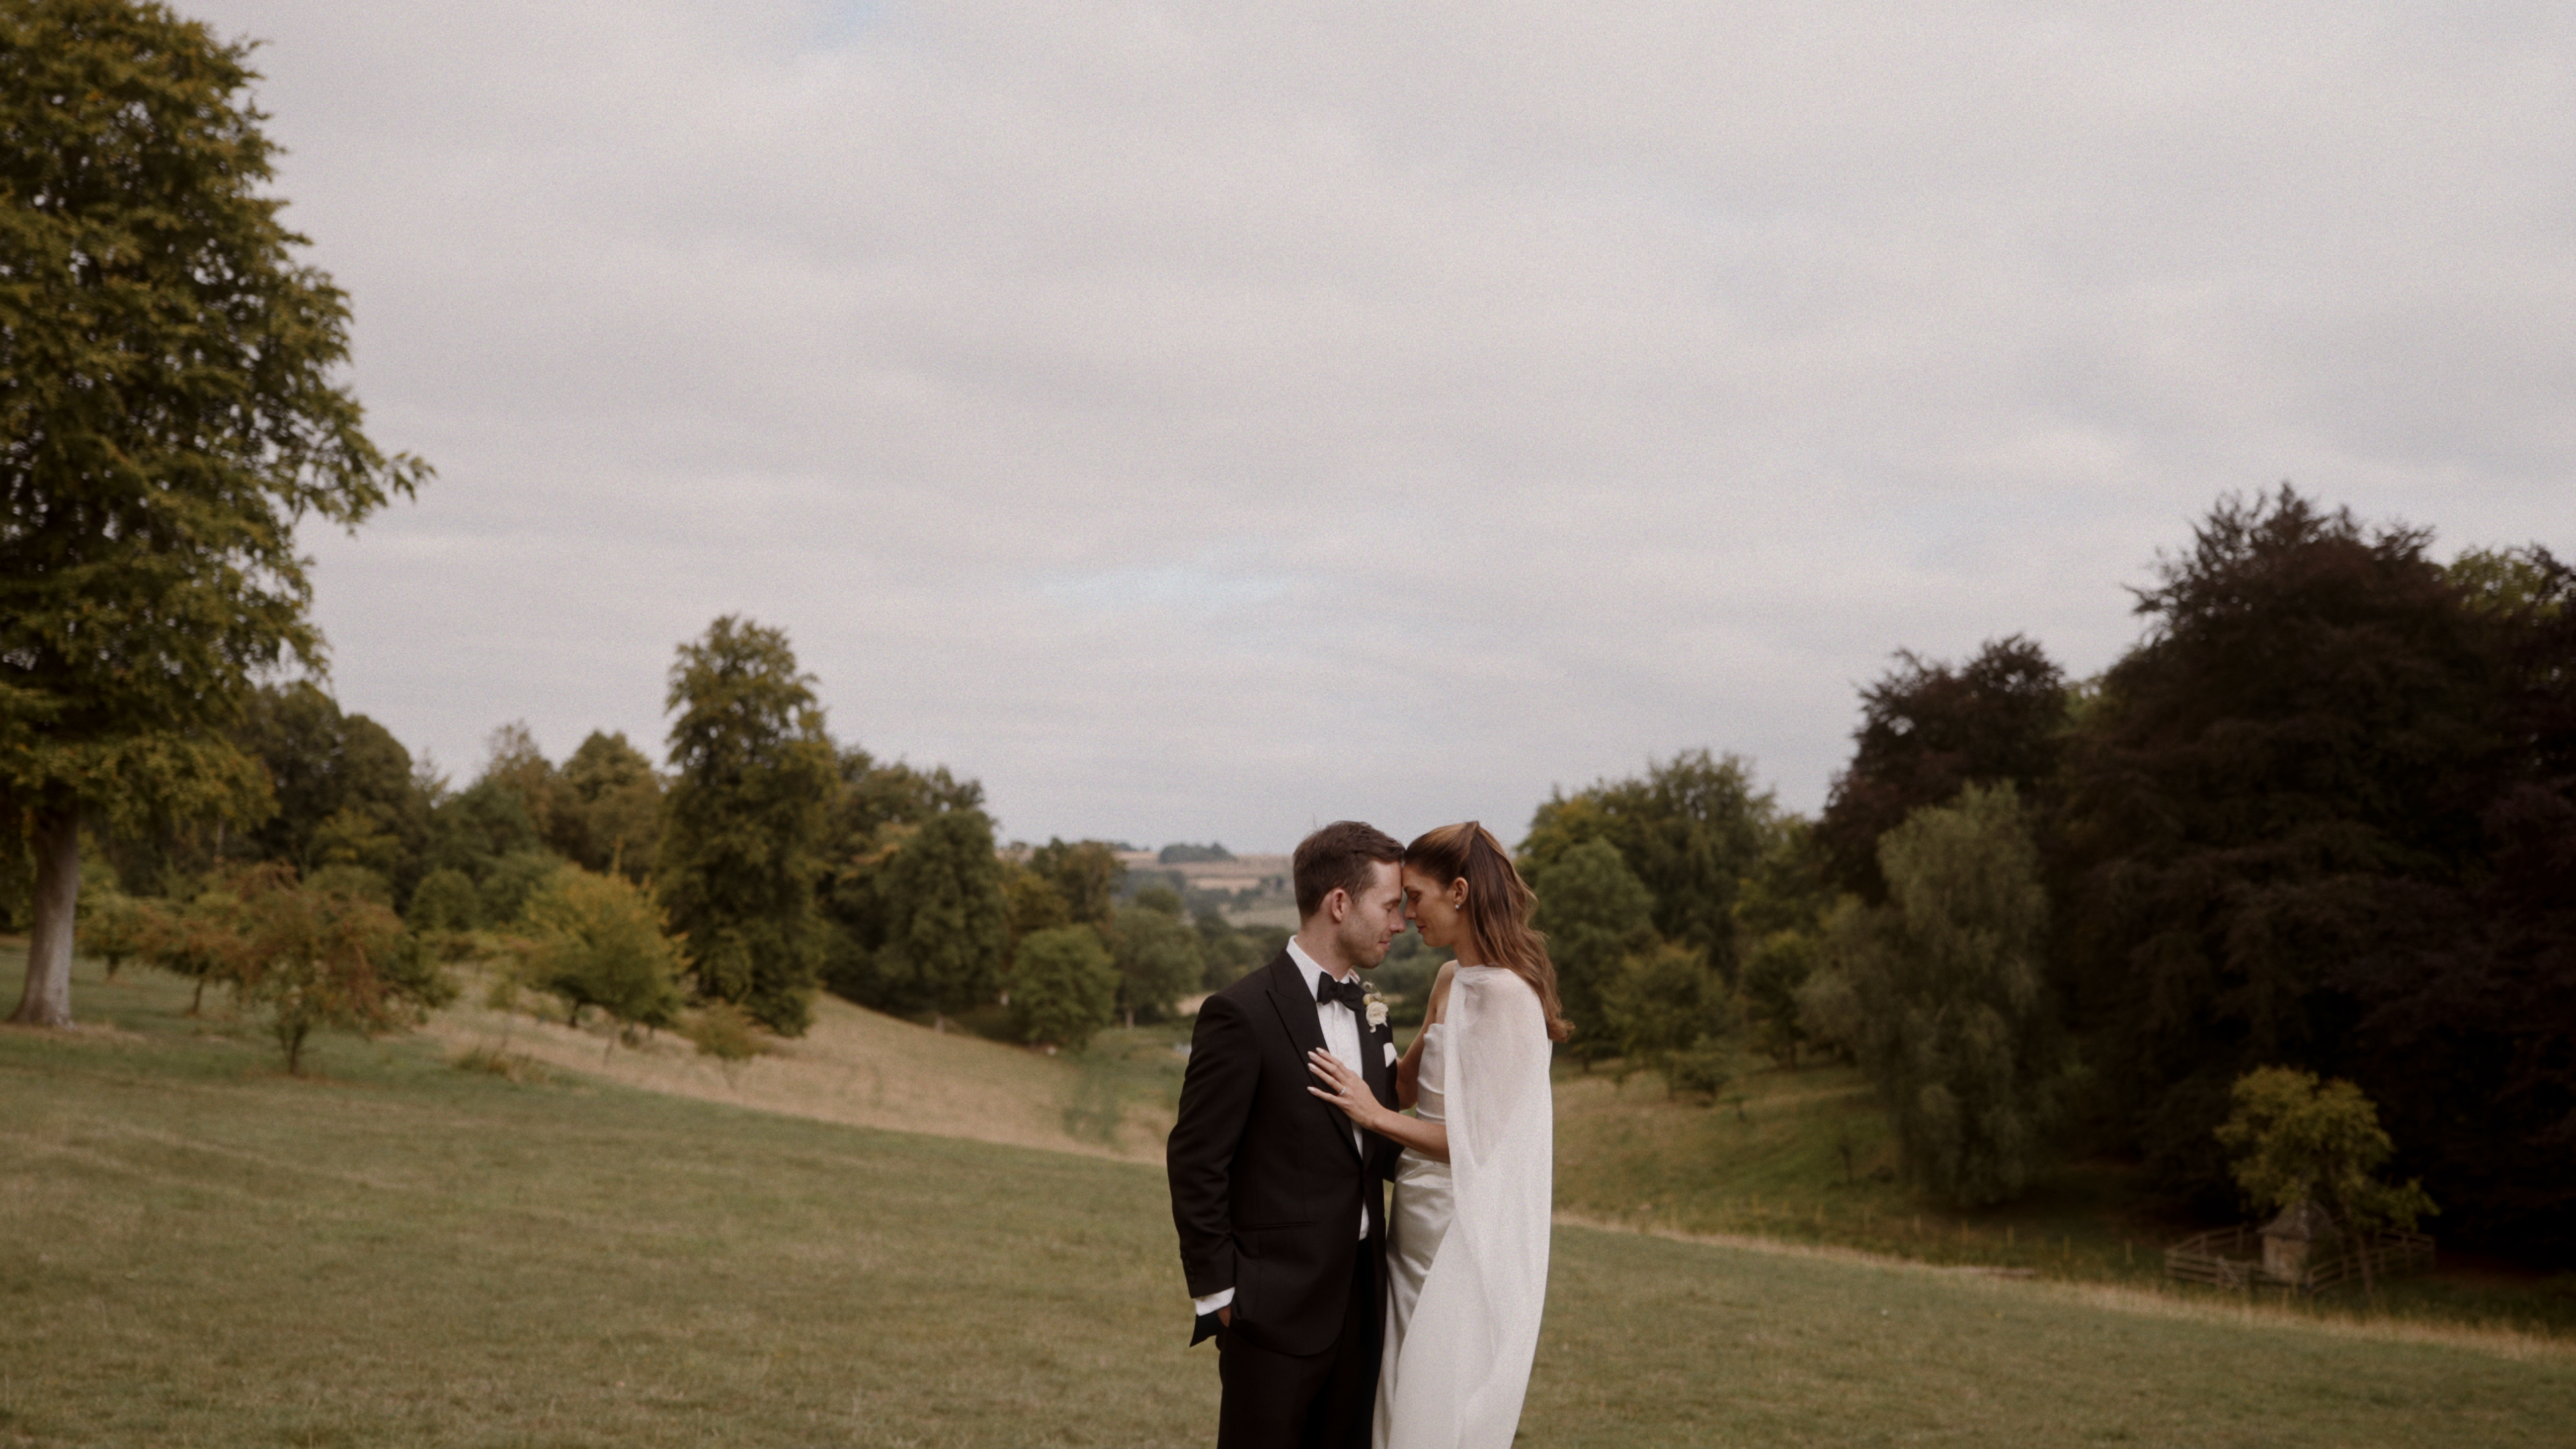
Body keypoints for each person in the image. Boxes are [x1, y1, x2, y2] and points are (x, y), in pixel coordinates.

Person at [1303, 821, 1568, 1449]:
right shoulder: (1451, 979)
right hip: (1412, 1214)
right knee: (1394, 1384)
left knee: (1436, 1386)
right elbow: (1404, 1088)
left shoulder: (1510, 997)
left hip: (1457, 1222)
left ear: (1458, 892)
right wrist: (1357, 1045)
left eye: (1414, 898)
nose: (1405, 916)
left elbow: (1478, 1147)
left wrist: (1371, 1117)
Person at [1168, 821, 1410, 1449]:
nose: (1400, 923)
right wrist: (1223, 1295)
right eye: (1389, 906)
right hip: (1269, 1311)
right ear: (1339, 903)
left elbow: (1375, 1149)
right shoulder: (1240, 1013)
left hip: (1363, 1302)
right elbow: (1196, 1161)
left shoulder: (1367, 1010)